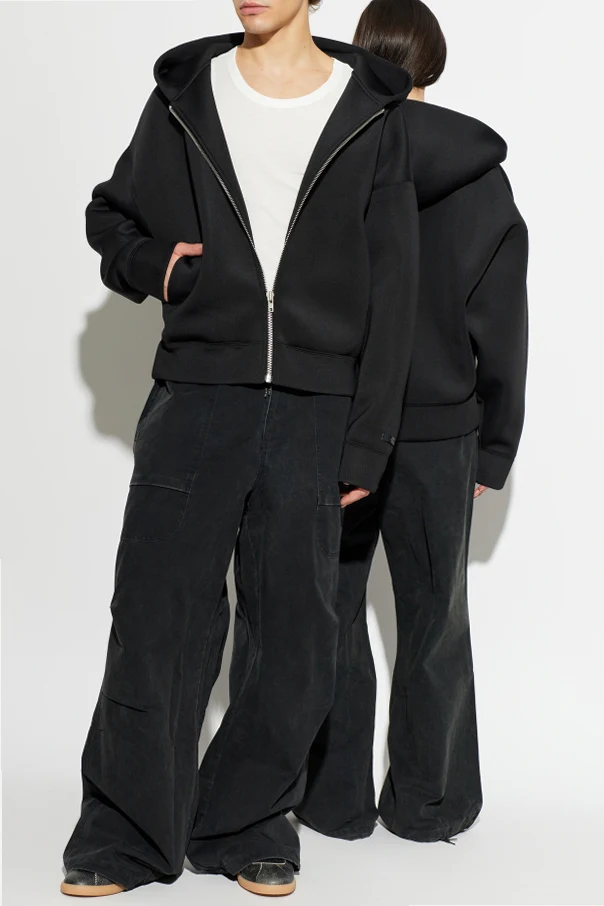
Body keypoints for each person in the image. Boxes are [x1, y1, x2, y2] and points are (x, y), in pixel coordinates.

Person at [60, 0, 419, 898]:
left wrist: (370, 439)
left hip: (317, 407)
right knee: (157, 619)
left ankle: (248, 821)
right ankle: (125, 832)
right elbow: (110, 215)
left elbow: (396, 286)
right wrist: (160, 268)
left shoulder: (369, 108)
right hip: (198, 393)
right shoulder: (186, 93)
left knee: (296, 634)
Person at [296, 0, 529, 844]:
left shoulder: (336, 158)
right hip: (441, 433)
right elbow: (502, 323)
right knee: (435, 621)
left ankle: (332, 802)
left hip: (341, 423)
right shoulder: (483, 179)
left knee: (328, 609)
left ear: (360, 59)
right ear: (435, 63)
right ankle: (431, 806)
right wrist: (494, 446)